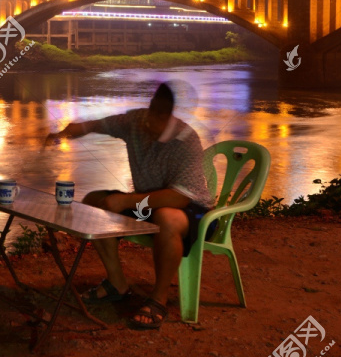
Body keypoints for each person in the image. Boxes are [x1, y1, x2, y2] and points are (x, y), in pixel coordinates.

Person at [43, 82, 215, 330]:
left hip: (193, 210)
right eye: (146, 119)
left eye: (154, 121)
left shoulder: (185, 140)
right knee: (95, 202)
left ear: (166, 117)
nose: (147, 127)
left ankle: (158, 300)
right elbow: (99, 125)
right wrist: (68, 132)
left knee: (167, 217)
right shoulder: (137, 122)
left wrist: (126, 200)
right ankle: (116, 284)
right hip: (147, 204)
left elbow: (179, 197)